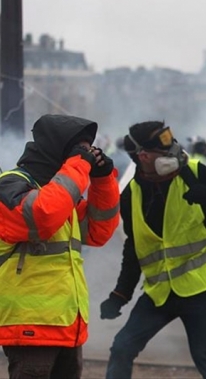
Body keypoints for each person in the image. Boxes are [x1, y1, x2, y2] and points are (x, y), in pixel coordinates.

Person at [100, 121, 206, 379]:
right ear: (143, 156)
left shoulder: (195, 173)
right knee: (122, 347)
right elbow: (134, 248)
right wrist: (120, 295)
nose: (173, 153)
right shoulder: (130, 195)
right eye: (163, 151)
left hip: (204, 287)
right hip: (160, 293)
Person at [0, 114, 120, 379]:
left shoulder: (58, 196)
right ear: (59, 149)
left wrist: (103, 179)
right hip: (29, 326)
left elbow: (100, 231)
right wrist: (78, 164)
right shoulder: (10, 185)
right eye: (81, 148)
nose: (87, 154)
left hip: (66, 326)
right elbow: (41, 217)